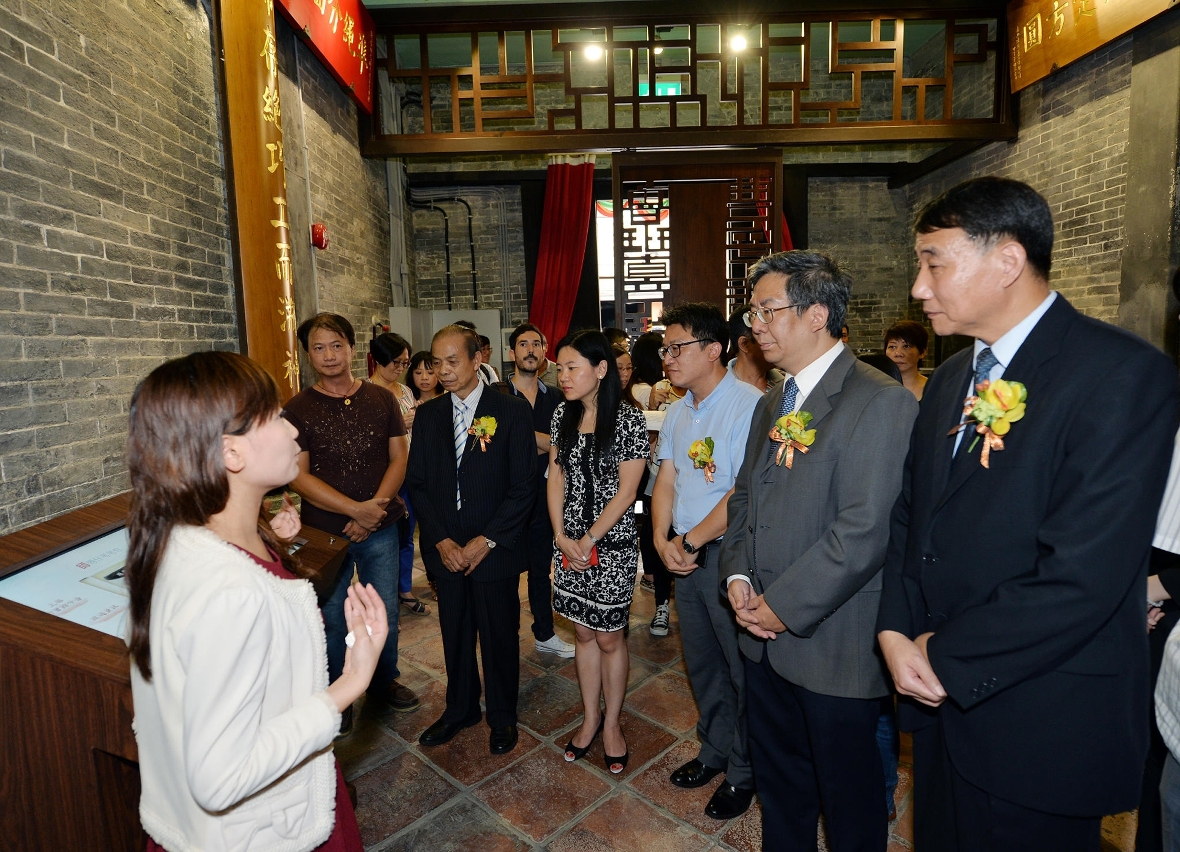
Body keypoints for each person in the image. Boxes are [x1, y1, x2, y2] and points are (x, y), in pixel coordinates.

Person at [877, 177, 1179, 852]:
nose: (919, 288)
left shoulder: (1121, 375)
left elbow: (1085, 575)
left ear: (1007, 261)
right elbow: (910, 520)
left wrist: (942, 655)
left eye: (933, 262)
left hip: (1041, 717)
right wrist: (895, 631)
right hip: (936, 701)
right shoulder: (954, 377)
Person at [126, 351, 386, 852]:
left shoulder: (184, 540)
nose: (292, 430)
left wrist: (282, 547)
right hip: (261, 832)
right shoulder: (228, 591)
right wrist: (350, 683)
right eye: (272, 418)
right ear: (230, 453)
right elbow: (221, 778)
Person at [721, 250, 918, 851]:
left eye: (767, 309)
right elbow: (744, 500)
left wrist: (781, 605)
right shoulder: (773, 401)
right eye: (752, 311)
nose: (754, 323)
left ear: (816, 315)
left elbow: (865, 528)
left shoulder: (878, 400)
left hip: (832, 645)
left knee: (849, 803)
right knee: (782, 793)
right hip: (762, 641)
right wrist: (735, 579)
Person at [651, 303, 761, 820]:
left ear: (714, 349)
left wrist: (690, 542)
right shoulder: (677, 409)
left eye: (677, 348)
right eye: (664, 349)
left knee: (740, 670)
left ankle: (744, 770)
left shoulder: (747, 405)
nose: (667, 358)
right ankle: (714, 751)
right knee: (703, 664)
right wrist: (662, 538)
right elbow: (667, 478)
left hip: (725, 555)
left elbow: (742, 492)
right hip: (684, 551)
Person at [284, 313, 418, 736]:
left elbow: (399, 457)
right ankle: (339, 694)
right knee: (332, 617)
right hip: (324, 533)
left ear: (352, 349)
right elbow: (298, 475)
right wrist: (353, 511)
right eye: (318, 348)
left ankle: (382, 681)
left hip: (379, 525)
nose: (328, 355)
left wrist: (372, 510)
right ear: (307, 354)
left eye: (336, 345)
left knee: (384, 611)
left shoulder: (380, 399)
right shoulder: (298, 408)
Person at [406, 324, 536, 755]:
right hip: (447, 550)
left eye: (452, 361)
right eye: (436, 362)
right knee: (455, 630)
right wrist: (441, 541)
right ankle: (460, 708)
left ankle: (502, 715)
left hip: (493, 548)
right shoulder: (429, 415)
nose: (442, 370)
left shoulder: (510, 411)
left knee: (499, 633)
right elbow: (419, 485)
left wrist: (487, 540)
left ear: (476, 359)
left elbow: (523, 486)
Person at [549, 330, 648, 774]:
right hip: (568, 543)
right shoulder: (561, 416)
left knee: (609, 636)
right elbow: (555, 477)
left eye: (573, 367)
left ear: (601, 369)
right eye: (561, 367)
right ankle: (589, 718)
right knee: (583, 634)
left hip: (610, 545)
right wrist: (560, 535)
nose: (564, 376)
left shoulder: (627, 418)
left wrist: (588, 540)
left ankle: (612, 723)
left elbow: (627, 492)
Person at [496, 322, 575, 658]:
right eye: (523, 344)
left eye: (537, 344)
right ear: (512, 353)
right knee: (507, 572)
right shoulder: (497, 395)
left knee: (543, 569)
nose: (531, 350)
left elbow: (569, 442)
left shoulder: (557, 396)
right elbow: (503, 444)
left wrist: (528, 441)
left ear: (545, 354)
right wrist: (548, 442)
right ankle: (505, 638)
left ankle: (544, 632)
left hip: (546, 498)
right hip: (507, 500)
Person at [370, 332, 429, 616]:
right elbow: (367, 441)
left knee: (407, 535)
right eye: (396, 362)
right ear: (378, 360)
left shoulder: (405, 392)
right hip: (386, 476)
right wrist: (399, 426)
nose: (400, 368)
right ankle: (386, 601)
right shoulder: (368, 393)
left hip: (412, 470)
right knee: (386, 540)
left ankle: (404, 590)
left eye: (404, 363)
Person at [884, 319, 929, 400]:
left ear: (922, 352)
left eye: (906, 346)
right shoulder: (876, 387)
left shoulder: (933, 388)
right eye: (892, 347)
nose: (898, 353)